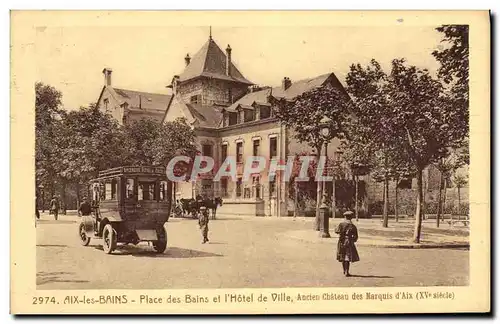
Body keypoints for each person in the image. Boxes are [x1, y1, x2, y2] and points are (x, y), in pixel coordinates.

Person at [335, 210, 360, 277]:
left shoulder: (341, 224)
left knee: (342, 256)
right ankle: (346, 271)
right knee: (347, 257)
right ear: (351, 217)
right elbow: (356, 237)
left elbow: (336, 231)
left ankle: (344, 270)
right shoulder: (353, 226)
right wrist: (352, 240)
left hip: (341, 241)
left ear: (345, 217)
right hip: (349, 242)